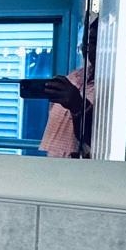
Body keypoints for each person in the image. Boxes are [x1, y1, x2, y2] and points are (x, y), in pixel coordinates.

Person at [39, 17, 98, 158]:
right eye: (86, 42)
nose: (87, 48)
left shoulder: (114, 87)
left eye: (94, 42)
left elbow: (97, 138)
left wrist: (77, 105)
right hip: (54, 162)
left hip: (81, 170)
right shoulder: (75, 77)